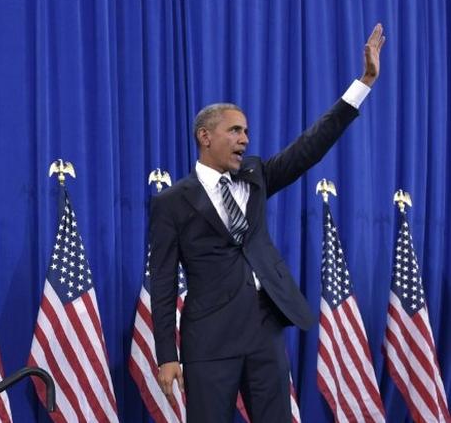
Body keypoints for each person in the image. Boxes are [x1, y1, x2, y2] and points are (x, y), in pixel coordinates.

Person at [148, 24, 385, 422]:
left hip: (264, 330)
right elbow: (163, 281)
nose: (244, 138)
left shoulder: (256, 175)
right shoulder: (172, 201)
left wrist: (363, 83)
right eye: (234, 130)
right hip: (209, 339)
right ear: (205, 136)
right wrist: (166, 356)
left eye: (246, 131)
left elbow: (309, 146)